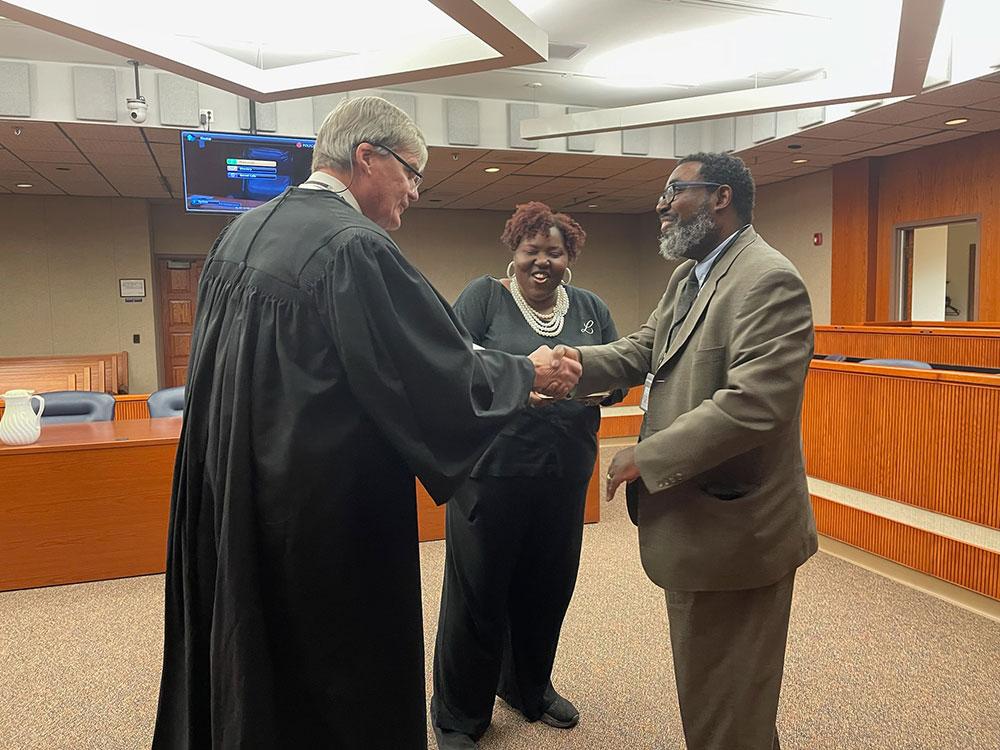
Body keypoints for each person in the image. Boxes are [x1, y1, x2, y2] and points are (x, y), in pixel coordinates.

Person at [151, 96, 581, 750]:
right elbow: (429, 372)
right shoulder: (352, 247)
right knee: (328, 675)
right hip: (315, 514)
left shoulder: (244, 228)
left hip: (239, 490)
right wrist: (527, 374)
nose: (414, 190)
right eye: (411, 172)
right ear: (366, 158)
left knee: (249, 647)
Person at [572, 152, 817, 750]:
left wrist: (645, 457)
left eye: (673, 190)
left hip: (738, 530)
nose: (660, 204)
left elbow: (755, 403)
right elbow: (642, 349)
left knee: (731, 704)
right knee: (710, 689)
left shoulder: (768, 279)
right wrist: (571, 366)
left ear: (720, 198)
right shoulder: (691, 275)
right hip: (694, 524)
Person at [431, 202, 623, 749]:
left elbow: (616, 381)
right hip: (491, 474)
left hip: (562, 474)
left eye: (554, 253)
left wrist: (576, 382)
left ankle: (527, 688)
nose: (542, 263)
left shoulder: (590, 308)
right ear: (513, 254)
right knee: (480, 591)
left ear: (570, 257)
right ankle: (458, 715)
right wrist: (523, 385)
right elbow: (454, 369)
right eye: (531, 252)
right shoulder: (483, 298)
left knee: (547, 586)